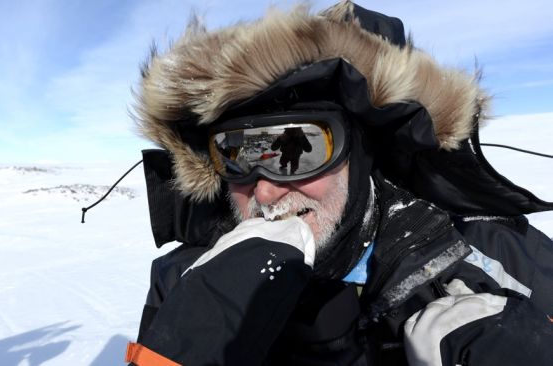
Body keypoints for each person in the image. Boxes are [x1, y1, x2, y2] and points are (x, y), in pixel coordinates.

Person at [126, 1, 553, 365]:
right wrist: (187, 343)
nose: (264, 191)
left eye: (301, 150)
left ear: (362, 155)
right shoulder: (187, 276)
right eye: (236, 154)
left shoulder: (497, 250)